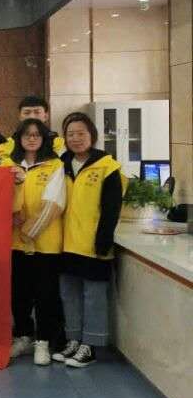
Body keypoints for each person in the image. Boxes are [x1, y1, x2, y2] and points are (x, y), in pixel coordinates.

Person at [53, 113, 125, 369]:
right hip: (64, 243)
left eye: (81, 133)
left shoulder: (107, 166)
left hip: (93, 243)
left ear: (92, 135)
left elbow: (112, 208)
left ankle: (90, 346)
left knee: (93, 296)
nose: (76, 138)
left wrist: (103, 239)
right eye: (70, 134)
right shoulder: (60, 165)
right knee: (69, 294)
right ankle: (73, 339)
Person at [8, 118, 66, 366]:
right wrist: (13, 217)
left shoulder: (55, 165)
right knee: (19, 293)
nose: (31, 139)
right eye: (26, 135)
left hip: (46, 242)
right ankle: (23, 336)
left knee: (46, 294)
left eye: (36, 135)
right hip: (14, 244)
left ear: (44, 139)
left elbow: (54, 203)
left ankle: (43, 341)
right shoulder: (8, 165)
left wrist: (28, 231)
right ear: (19, 139)